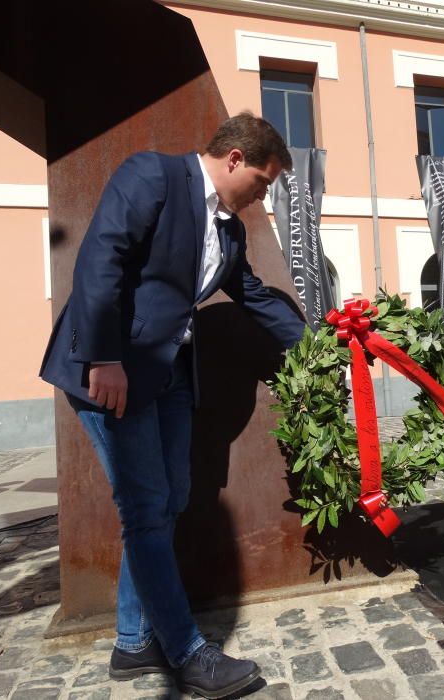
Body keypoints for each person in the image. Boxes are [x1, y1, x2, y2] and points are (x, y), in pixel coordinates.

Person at [40, 112, 305, 697]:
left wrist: (321, 342)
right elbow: (100, 260)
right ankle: (187, 653)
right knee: (146, 509)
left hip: (172, 378)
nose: (262, 195)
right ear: (235, 158)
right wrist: (103, 358)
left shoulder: (230, 232)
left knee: (173, 499)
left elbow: (256, 297)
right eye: (262, 181)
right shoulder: (153, 176)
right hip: (115, 372)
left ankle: (133, 643)